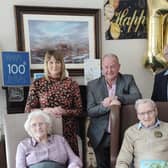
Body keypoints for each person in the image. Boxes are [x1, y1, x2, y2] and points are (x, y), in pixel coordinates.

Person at [87, 53, 142, 168]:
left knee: (123, 164)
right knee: (103, 165)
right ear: (102, 68)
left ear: (119, 67)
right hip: (101, 134)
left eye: (112, 66)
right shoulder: (92, 85)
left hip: (124, 131)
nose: (109, 70)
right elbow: (90, 111)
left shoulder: (128, 79)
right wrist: (105, 105)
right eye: (106, 67)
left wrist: (117, 98)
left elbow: (137, 96)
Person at [25, 50, 82, 155]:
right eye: (51, 62)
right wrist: (45, 110)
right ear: (46, 64)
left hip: (67, 132)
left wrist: (64, 112)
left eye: (57, 62)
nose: (54, 65)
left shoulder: (72, 84)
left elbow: (79, 110)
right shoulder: (37, 84)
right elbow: (28, 109)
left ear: (62, 64)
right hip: (44, 132)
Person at [16, 109, 83, 168]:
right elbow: (20, 166)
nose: (38, 127)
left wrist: (73, 166)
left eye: (41, 124)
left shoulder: (60, 140)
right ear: (29, 129)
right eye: (34, 125)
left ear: (47, 126)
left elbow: (74, 159)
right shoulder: (23, 145)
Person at [115, 98, 168, 168]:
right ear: (137, 115)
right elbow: (123, 160)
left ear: (155, 111)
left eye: (149, 112)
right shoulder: (131, 132)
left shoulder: (166, 128)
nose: (146, 117)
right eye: (142, 113)